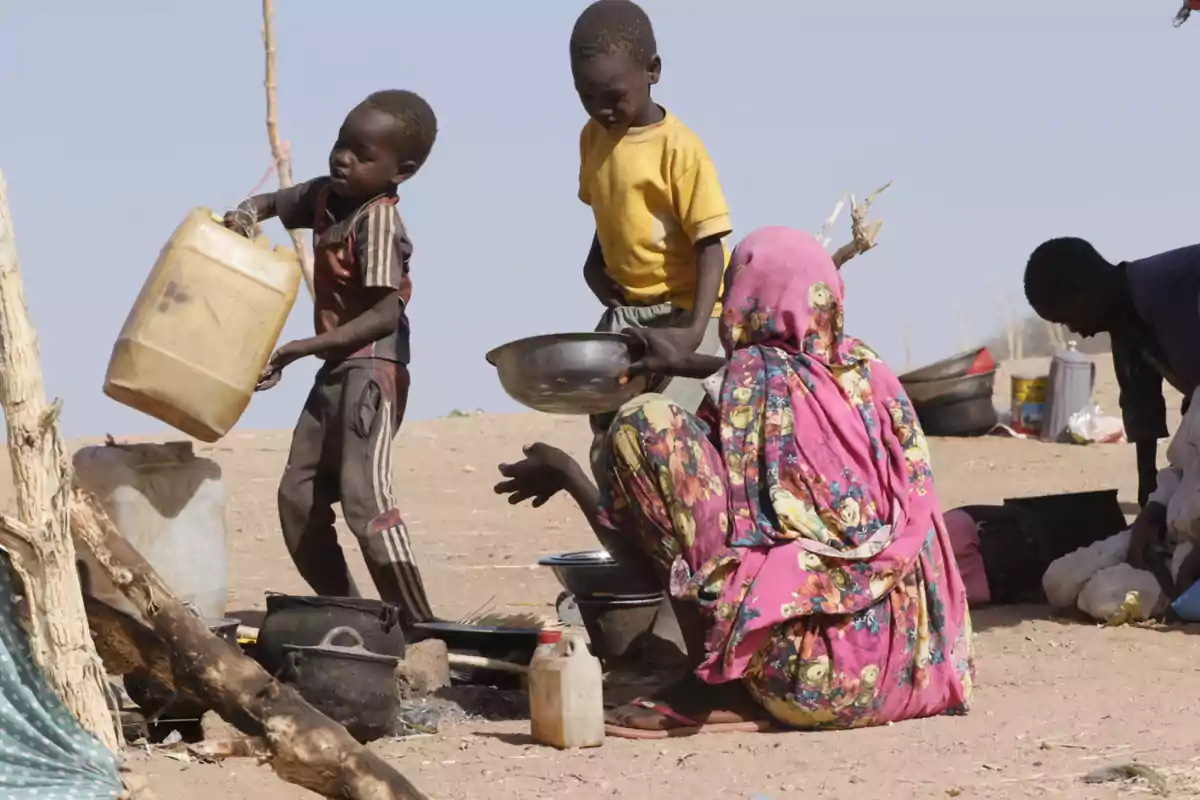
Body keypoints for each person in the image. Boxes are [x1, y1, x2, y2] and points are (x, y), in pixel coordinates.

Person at [496, 227, 974, 736]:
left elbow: (645, 562)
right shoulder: (870, 376)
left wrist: (571, 473)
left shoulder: (749, 392)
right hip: (910, 671)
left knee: (645, 425)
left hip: (809, 684)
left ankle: (716, 686)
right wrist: (685, 361)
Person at [223, 90, 437, 625]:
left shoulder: (379, 222)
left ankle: (422, 628)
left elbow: (384, 315)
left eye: (363, 154)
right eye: (342, 144)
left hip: (372, 368)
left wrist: (301, 349)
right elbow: (274, 203)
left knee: (367, 503)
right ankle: (360, 613)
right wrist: (247, 212)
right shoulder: (326, 196)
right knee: (298, 499)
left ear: (400, 171)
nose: (343, 158)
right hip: (335, 367)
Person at [569, 0, 732, 480]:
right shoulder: (592, 137)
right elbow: (610, 208)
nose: (602, 109)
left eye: (614, 95)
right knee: (607, 426)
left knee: (662, 430)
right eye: (586, 96)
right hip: (631, 316)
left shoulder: (679, 149)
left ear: (653, 71)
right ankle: (629, 536)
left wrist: (692, 330)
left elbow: (710, 245)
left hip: (687, 312)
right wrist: (594, 266)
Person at [1024, 238, 1200, 513]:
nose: (1076, 331)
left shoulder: (1169, 291)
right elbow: (1140, 399)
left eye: (1067, 319)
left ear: (1081, 292)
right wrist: (1149, 482)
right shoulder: (1125, 319)